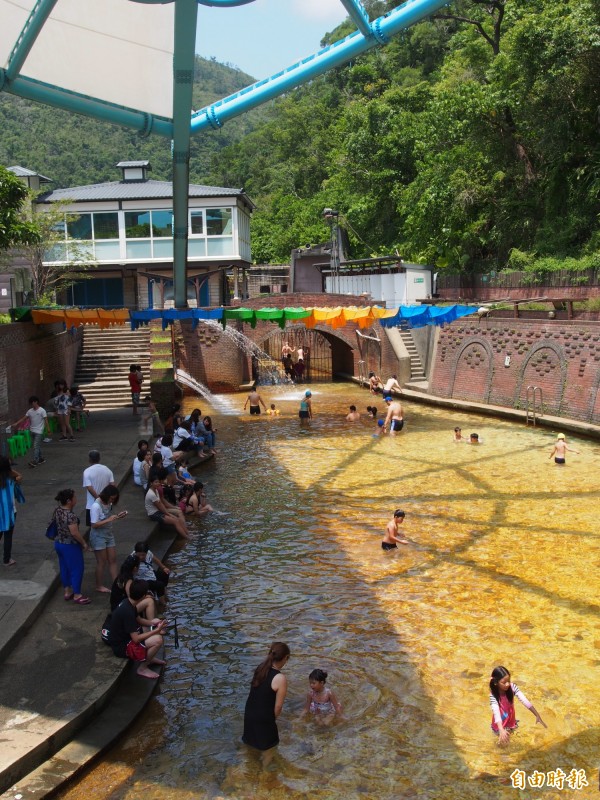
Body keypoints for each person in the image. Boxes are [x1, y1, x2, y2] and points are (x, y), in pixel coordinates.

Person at [107, 579, 167, 679]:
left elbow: (139, 619)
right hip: (122, 647)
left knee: (147, 628)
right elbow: (136, 639)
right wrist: (156, 630)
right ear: (143, 596)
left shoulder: (128, 602)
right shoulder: (127, 612)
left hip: (124, 637)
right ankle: (142, 668)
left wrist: (153, 622)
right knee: (158, 640)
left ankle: (149, 658)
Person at [242, 642, 290, 762]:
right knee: (269, 750)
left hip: (249, 714)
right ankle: (267, 777)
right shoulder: (280, 678)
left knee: (250, 747)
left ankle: (249, 774)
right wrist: (270, 722)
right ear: (285, 658)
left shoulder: (260, 668)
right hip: (263, 718)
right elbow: (278, 707)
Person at [489, 666, 546, 747]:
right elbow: (496, 712)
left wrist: (537, 715)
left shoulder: (512, 687)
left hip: (511, 721)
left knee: (509, 741)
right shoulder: (493, 696)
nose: (507, 684)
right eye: (504, 682)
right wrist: (501, 729)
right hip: (499, 725)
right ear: (496, 683)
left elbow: (524, 700)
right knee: (501, 745)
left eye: (508, 681)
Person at [52, 488, 90, 603]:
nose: (76, 499)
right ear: (69, 501)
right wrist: (83, 543)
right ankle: (77, 594)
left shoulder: (57, 510)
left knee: (64, 567)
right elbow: (74, 532)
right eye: (74, 497)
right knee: (77, 569)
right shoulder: (70, 515)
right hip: (70, 546)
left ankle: (67, 591)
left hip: (59, 543)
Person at [90, 485, 126, 593]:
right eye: (111, 498)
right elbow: (94, 524)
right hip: (98, 536)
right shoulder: (96, 506)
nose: (112, 501)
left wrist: (117, 516)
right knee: (102, 562)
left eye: (114, 499)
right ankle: (99, 585)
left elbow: (108, 517)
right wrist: (109, 519)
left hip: (108, 534)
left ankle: (116, 583)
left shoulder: (108, 504)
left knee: (113, 559)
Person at [11, 395, 51, 468]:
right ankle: (40, 458)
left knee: (35, 446)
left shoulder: (42, 410)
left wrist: (48, 429)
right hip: (32, 430)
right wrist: (16, 423)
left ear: (36, 402)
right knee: (37, 446)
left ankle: (35, 460)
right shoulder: (30, 411)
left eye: (32, 403)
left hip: (39, 431)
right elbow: (24, 418)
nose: (32, 405)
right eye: (31, 403)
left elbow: (46, 420)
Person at [83, 450, 115, 528]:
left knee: (93, 526)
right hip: (106, 503)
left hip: (92, 504)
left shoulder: (87, 471)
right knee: (106, 524)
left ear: (89, 459)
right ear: (99, 458)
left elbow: (89, 488)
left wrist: (98, 499)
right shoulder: (107, 469)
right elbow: (113, 485)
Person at [0, 457, 21, 566]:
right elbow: (19, 476)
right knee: (8, 536)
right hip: (10, 512)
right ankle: (6, 559)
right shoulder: (12, 481)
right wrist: (9, 470)